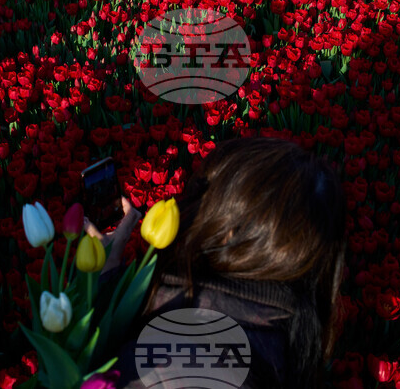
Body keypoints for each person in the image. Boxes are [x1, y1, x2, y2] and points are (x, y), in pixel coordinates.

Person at [103, 137, 347, 389]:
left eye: (207, 189)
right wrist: (109, 284)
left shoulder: (172, 364)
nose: (191, 198)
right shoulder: (290, 335)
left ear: (231, 232)